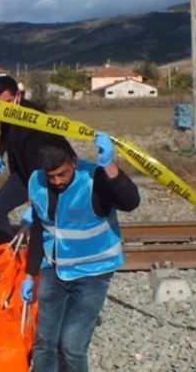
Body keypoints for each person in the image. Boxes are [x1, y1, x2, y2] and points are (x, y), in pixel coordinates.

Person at [20, 132, 140, 372]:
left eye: (62, 174)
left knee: (72, 346)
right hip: (54, 271)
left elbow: (131, 202)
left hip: (92, 274)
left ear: (74, 162)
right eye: (51, 176)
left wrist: (109, 166)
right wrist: (30, 275)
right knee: (45, 343)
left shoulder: (94, 178)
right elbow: (39, 232)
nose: (56, 181)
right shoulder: (37, 181)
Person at [0, 75, 71, 244]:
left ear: (18, 95)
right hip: (22, 173)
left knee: (42, 220)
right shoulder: (6, 112)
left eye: (8, 101)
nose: (3, 107)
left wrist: (29, 207)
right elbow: (4, 134)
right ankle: (7, 256)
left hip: (45, 177)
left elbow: (36, 169)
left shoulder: (32, 119)